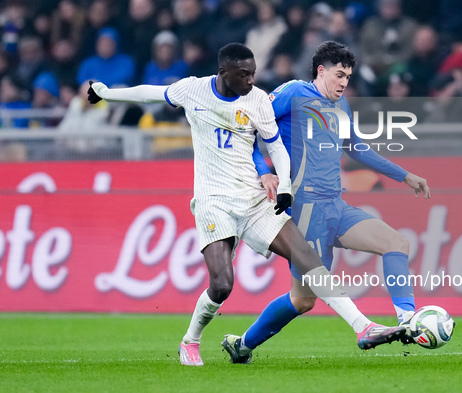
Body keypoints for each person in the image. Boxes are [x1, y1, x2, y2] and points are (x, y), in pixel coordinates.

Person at [86, 43, 406, 367]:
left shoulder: (257, 100)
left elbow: (276, 146)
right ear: (224, 73)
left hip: (253, 201)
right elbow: (148, 93)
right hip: (214, 202)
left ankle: (363, 327)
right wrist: (106, 93)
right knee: (222, 285)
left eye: (253, 73)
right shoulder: (193, 90)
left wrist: (282, 184)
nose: (252, 80)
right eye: (244, 75)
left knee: (307, 257)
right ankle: (191, 339)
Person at [222, 41, 431, 364]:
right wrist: (265, 172)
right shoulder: (292, 93)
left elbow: (356, 148)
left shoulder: (341, 105)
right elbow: (247, 130)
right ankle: (243, 345)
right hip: (305, 212)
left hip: (337, 207)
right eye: (339, 74)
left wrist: (404, 175)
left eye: (348, 76)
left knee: (396, 244)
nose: (344, 82)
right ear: (321, 71)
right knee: (302, 300)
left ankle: (408, 321)